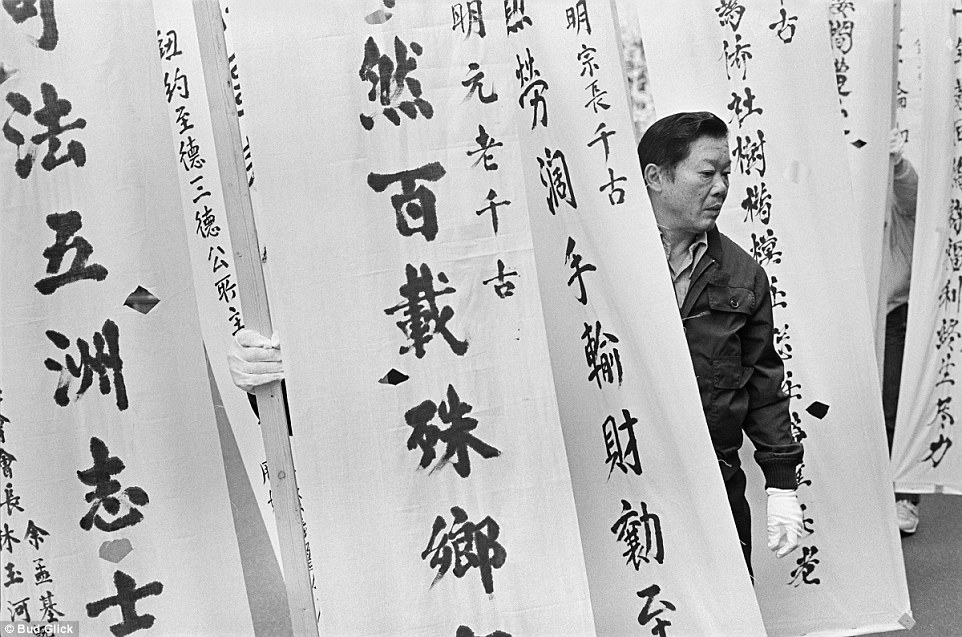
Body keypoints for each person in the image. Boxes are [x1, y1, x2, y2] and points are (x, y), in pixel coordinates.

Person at [636, 111, 804, 576]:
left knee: (729, 601)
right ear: (655, 177)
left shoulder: (742, 274)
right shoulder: (606, 259)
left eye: (727, 173)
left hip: (715, 475)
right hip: (628, 476)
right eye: (707, 172)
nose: (721, 186)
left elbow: (763, 382)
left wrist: (781, 483)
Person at [881, 128, 920, 535]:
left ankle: (904, 496)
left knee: (894, 406)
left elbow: (913, 197)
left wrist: (896, 163)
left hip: (893, 310)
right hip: (854, 313)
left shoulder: (894, 182)